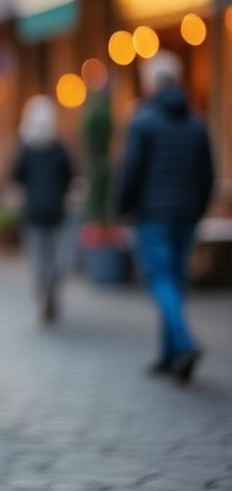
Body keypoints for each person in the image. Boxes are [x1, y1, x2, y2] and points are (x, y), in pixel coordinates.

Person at [116, 51, 214, 384]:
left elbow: (130, 171)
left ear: (151, 83)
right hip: (186, 214)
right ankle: (170, 354)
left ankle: (184, 344)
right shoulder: (196, 122)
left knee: (160, 279)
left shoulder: (142, 121)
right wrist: (198, 208)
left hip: (153, 215)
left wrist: (122, 208)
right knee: (174, 280)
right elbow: (208, 174)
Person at [12, 95, 76, 325]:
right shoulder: (36, 150)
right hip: (42, 213)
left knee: (52, 261)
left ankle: (47, 295)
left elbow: (69, 176)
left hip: (48, 213)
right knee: (46, 261)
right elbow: (17, 176)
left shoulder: (54, 150)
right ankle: (44, 297)